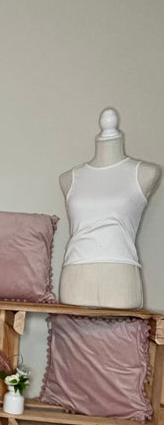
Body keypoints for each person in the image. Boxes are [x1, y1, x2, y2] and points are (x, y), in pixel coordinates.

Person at [59, 107, 161, 309]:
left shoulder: (144, 173)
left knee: (126, 331)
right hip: (76, 277)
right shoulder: (70, 178)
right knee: (73, 331)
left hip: (121, 277)